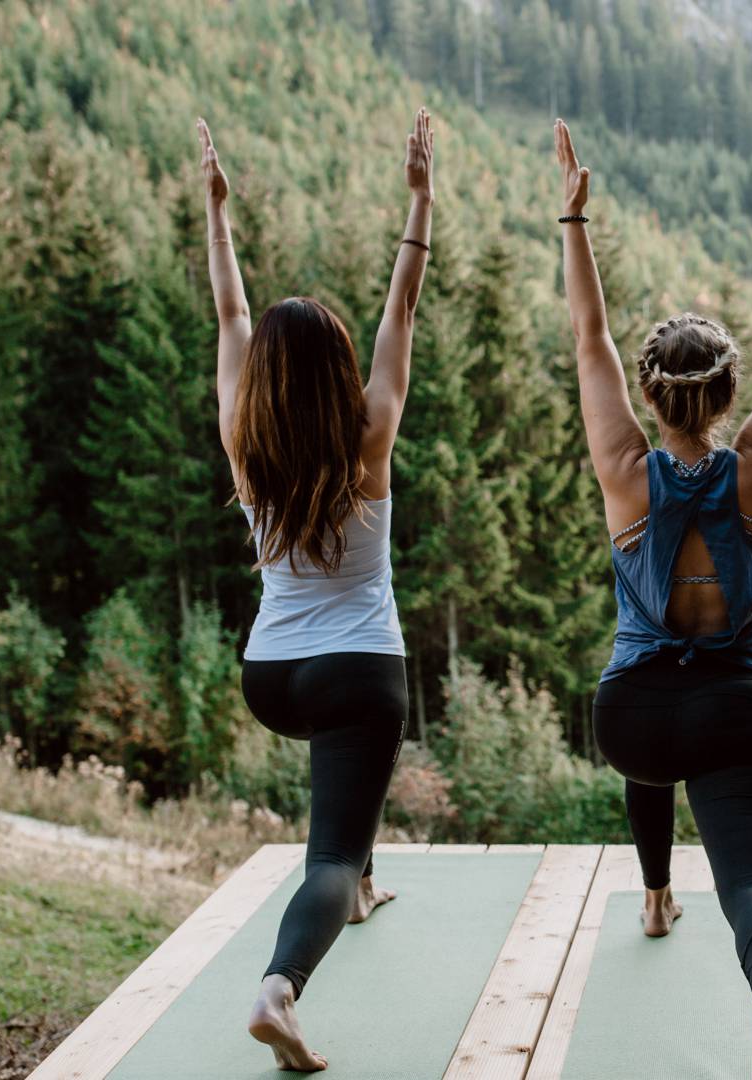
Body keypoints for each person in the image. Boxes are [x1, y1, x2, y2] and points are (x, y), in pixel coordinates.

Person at [550, 114, 752, 1080]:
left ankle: (653, 895)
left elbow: (588, 336)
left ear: (652, 395)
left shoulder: (623, 469)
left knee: (651, 744)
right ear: (723, 398)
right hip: (737, 711)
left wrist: (574, 220)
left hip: (632, 718)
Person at [198, 108, 435, 1073]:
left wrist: (217, 215)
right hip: (356, 673)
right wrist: (420, 201)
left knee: (347, 806)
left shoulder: (244, 440)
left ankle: (364, 882)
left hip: (271, 676)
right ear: (340, 369)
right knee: (326, 856)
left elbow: (231, 317)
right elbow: (401, 313)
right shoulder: (368, 434)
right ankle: (279, 987)